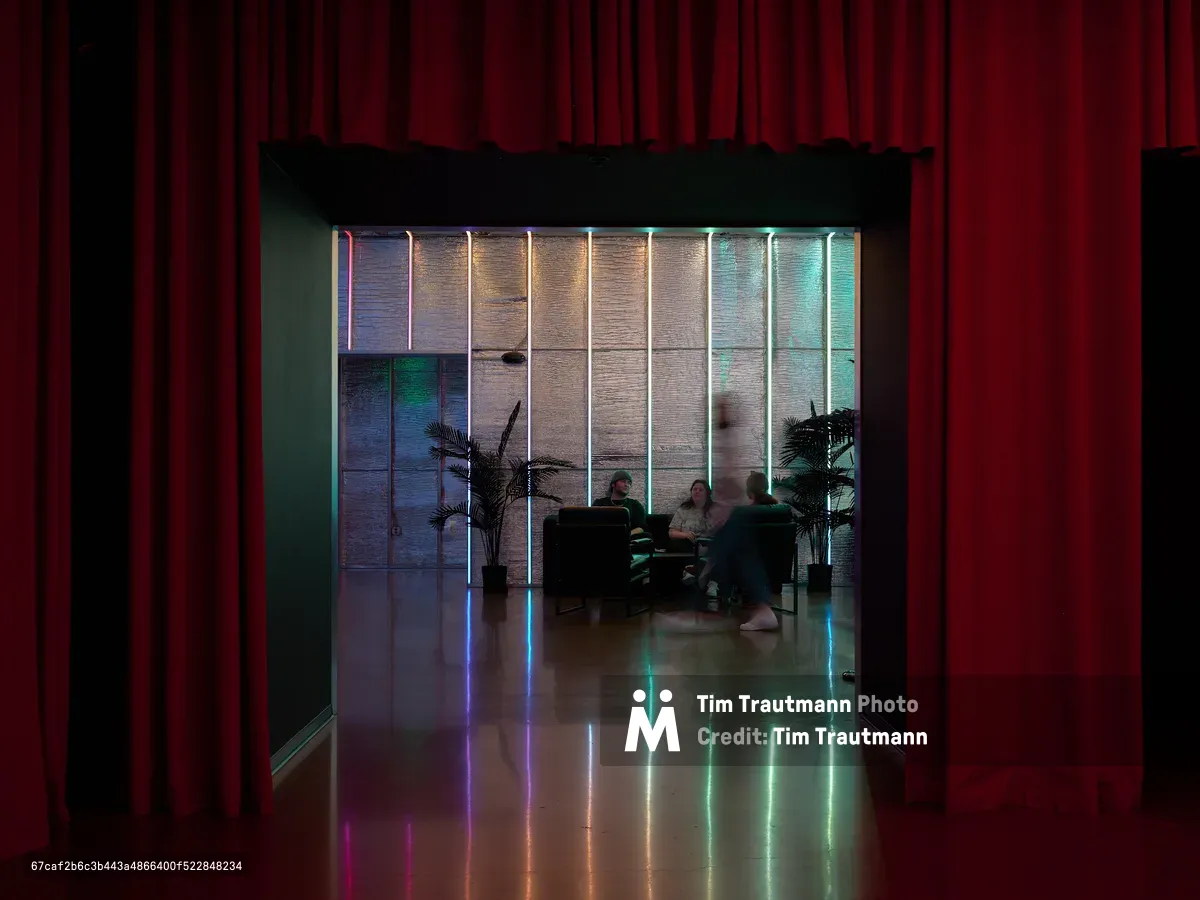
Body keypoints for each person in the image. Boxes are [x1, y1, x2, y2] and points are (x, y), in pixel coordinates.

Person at [656, 396, 778, 633]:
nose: (716, 413)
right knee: (735, 561)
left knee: (716, 562)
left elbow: (735, 479)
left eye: (720, 409)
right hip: (733, 513)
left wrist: (725, 507)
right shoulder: (728, 438)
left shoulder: (732, 439)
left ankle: (696, 613)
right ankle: (761, 611)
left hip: (734, 514)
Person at [592, 469, 647, 535]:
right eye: (623, 481)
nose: (627, 485)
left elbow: (641, 527)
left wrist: (626, 536)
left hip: (627, 541)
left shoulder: (635, 505)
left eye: (629, 482)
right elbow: (592, 524)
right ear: (613, 484)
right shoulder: (599, 503)